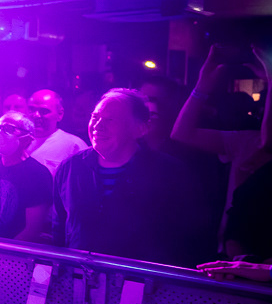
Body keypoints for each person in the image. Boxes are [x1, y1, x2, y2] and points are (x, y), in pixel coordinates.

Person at [52, 88, 207, 267]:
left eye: (111, 120)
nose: (98, 125)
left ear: (140, 129)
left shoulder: (170, 173)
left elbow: (190, 238)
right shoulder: (70, 168)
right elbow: (59, 231)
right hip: (79, 278)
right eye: (95, 117)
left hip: (143, 281)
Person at [170, 43, 272, 249]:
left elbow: (268, 145)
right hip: (231, 255)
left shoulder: (257, 143)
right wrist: (202, 86)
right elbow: (182, 134)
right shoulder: (247, 141)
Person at [0, 111, 52, 242]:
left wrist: (3, 251)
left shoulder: (38, 174)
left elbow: (32, 229)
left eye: (9, 129)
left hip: (14, 251)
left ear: (28, 138)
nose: (0, 133)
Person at [27, 89, 89, 176]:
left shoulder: (73, 145)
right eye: (31, 109)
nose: (36, 115)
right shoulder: (17, 141)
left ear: (60, 114)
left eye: (44, 111)